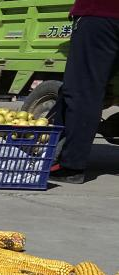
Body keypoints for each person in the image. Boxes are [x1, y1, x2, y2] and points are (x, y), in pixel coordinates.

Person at [50, 0, 119, 183]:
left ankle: (71, 166)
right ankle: (56, 153)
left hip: (103, 13)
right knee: (79, 89)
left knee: (84, 89)